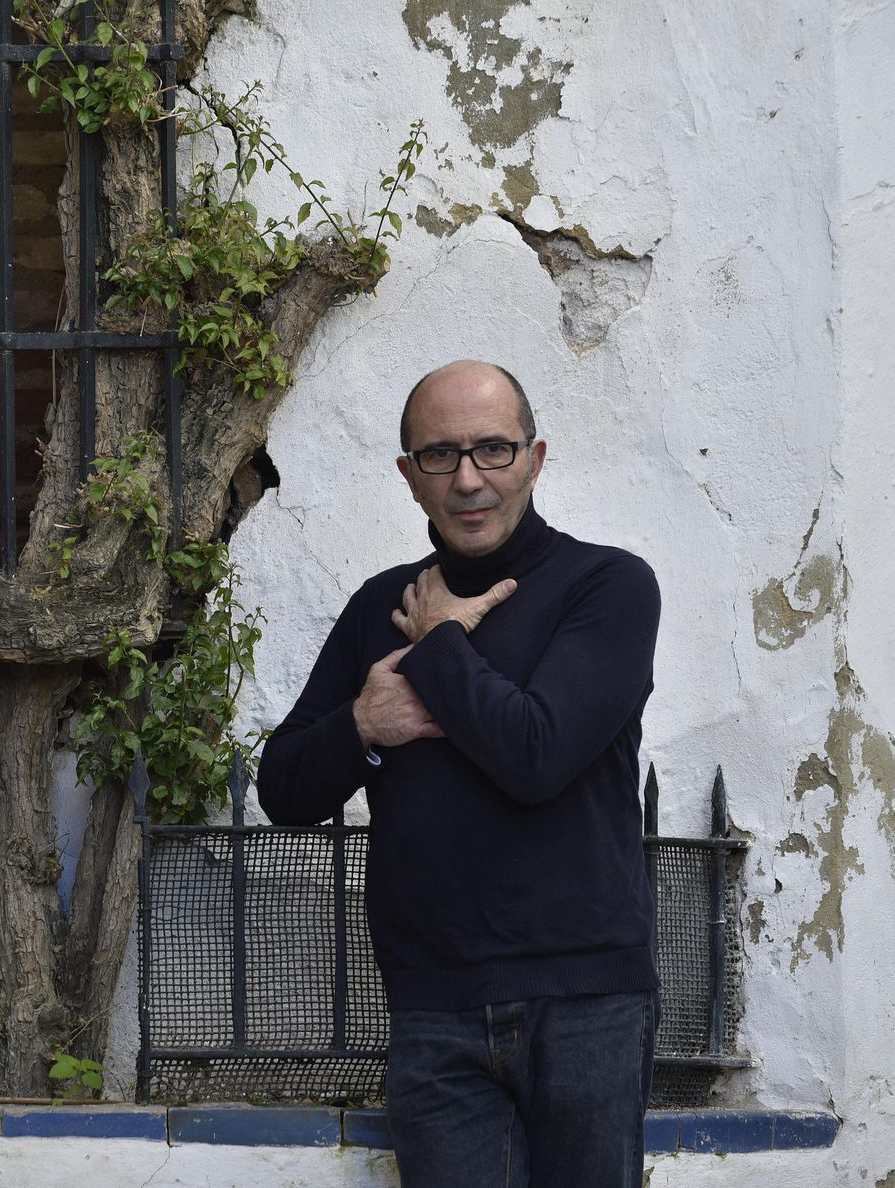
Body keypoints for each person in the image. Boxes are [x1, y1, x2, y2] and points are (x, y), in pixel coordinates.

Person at [257, 360, 661, 1187]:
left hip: (584, 1002)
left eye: (493, 450)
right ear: (409, 477)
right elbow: (284, 790)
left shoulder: (608, 586)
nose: (469, 480)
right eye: (440, 456)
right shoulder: (379, 607)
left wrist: (440, 642)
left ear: (536, 458)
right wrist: (363, 725)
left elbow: (536, 756)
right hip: (434, 1009)